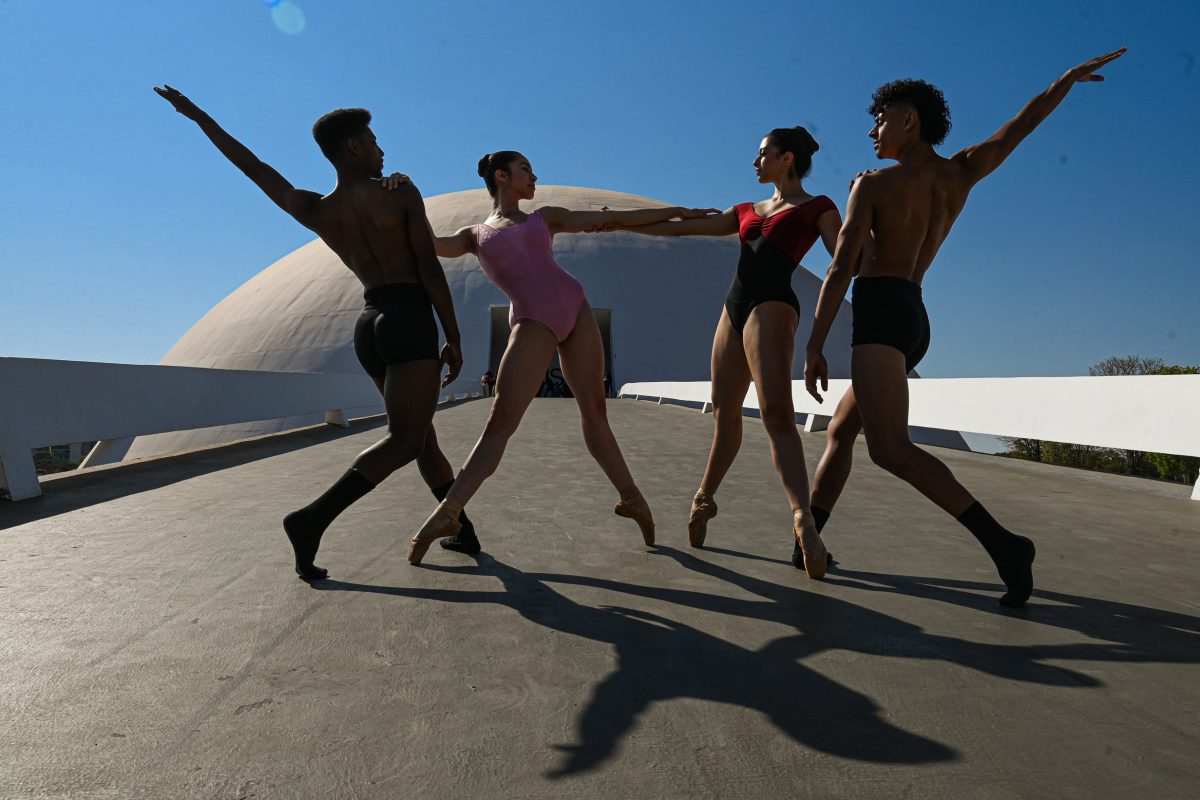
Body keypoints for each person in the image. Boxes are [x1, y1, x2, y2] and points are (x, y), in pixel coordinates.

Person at [803, 49, 1126, 607]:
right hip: (914, 315)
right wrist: (1065, 81)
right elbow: (1019, 127)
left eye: (880, 120)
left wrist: (814, 343)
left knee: (891, 451)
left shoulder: (872, 186)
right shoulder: (961, 172)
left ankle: (1006, 546)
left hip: (881, 314)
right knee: (841, 431)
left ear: (910, 120)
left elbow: (843, 268)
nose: (873, 131)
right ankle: (807, 540)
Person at [154, 86, 479, 579]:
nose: (381, 150)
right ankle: (310, 520)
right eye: (374, 141)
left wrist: (200, 118)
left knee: (422, 438)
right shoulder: (401, 193)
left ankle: (463, 528)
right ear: (353, 147)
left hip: (370, 324)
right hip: (408, 317)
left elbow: (254, 167)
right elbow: (429, 268)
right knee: (406, 440)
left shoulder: (316, 209)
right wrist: (452, 336)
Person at [395, 152, 717, 562]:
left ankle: (631, 497)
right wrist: (411, 194)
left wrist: (677, 212)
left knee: (595, 412)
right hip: (533, 320)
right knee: (500, 423)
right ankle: (449, 512)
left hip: (576, 309)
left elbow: (614, 220)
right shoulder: (474, 235)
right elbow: (429, 245)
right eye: (525, 170)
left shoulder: (544, 218)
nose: (534, 176)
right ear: (501, 176)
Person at [599, 128, 840, 577]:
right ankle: (704, 497)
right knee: (725, 414)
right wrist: (623, 223)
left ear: (787, 158)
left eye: (763, 153)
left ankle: (803, 521)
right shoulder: (745, 210)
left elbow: (844, 260)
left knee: (776, 415)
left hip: (772, 305)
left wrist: (819, 340)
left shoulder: (818, 207)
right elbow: (682, 229)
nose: (755, 161)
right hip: (733, 308)